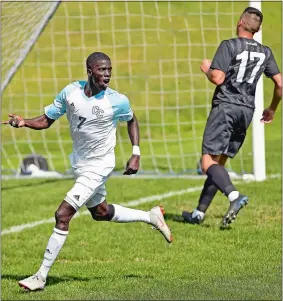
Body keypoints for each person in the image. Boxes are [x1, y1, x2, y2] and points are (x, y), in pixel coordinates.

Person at [2, 52, 173, 291]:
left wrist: (136, 152)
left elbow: (132, 119)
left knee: (62, 214)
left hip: (100, 165)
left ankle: (40, 277)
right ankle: (151, 216)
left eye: (109, 70)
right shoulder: (70, 92)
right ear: (89, 71)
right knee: (100, 212)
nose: (107, 75)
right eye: (102, 70)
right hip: (80, 164)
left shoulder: (117, 100)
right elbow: (47, 119)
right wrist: (23, 122)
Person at [182, 7, 282, 227]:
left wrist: (207, 69)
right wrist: (272, 108)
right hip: (246, 111)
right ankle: (199, 213)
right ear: (258, 29)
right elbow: (280, 83)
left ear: (239, 22)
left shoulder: (229, 45)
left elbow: (217, 78)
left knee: (207, 162)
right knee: (220, 163)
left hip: (226, 107)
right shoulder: (265, 52)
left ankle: (234, 196)